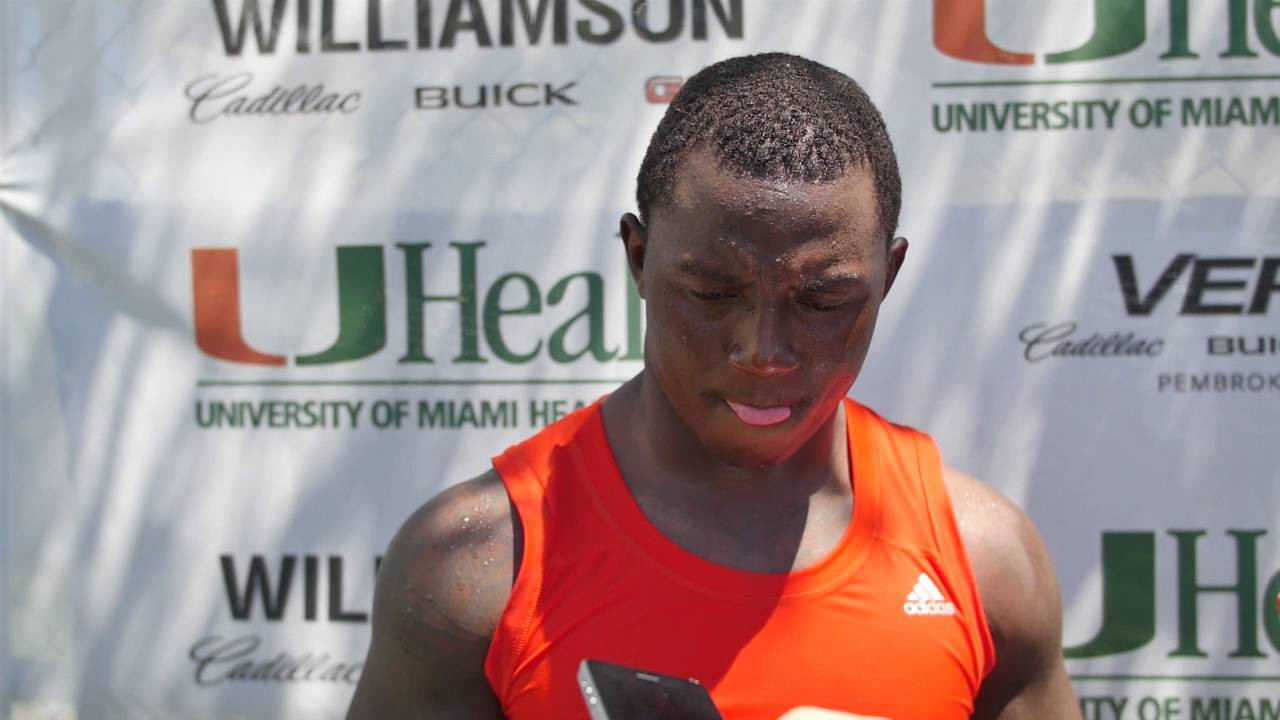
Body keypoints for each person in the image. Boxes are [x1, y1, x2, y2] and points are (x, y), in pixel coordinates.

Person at [347, 53, 1081, 720]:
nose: (763, 353)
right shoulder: (477, 570)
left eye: (822, 301)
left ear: (887, 278)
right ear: (639, 258)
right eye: (711, 293)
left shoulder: (985, 562)